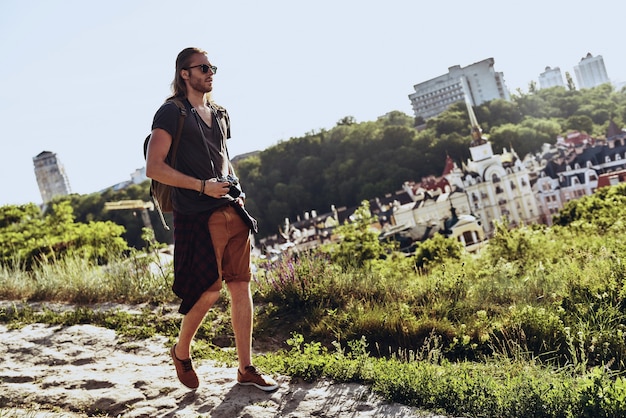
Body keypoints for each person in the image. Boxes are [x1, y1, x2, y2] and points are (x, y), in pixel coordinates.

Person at [145, 47, 278, 392]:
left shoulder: (219, 113)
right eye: (202, 67)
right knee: (207, 292)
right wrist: (202, 187)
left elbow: (223, 158)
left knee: (240, 287)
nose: (210, 72)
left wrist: (236, 186)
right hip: (197, 216)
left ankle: (246, 368)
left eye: (212, 67)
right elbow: (154, 166)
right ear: (184, 73)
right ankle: (181, 351)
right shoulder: (169, 113)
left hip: (232, 209)